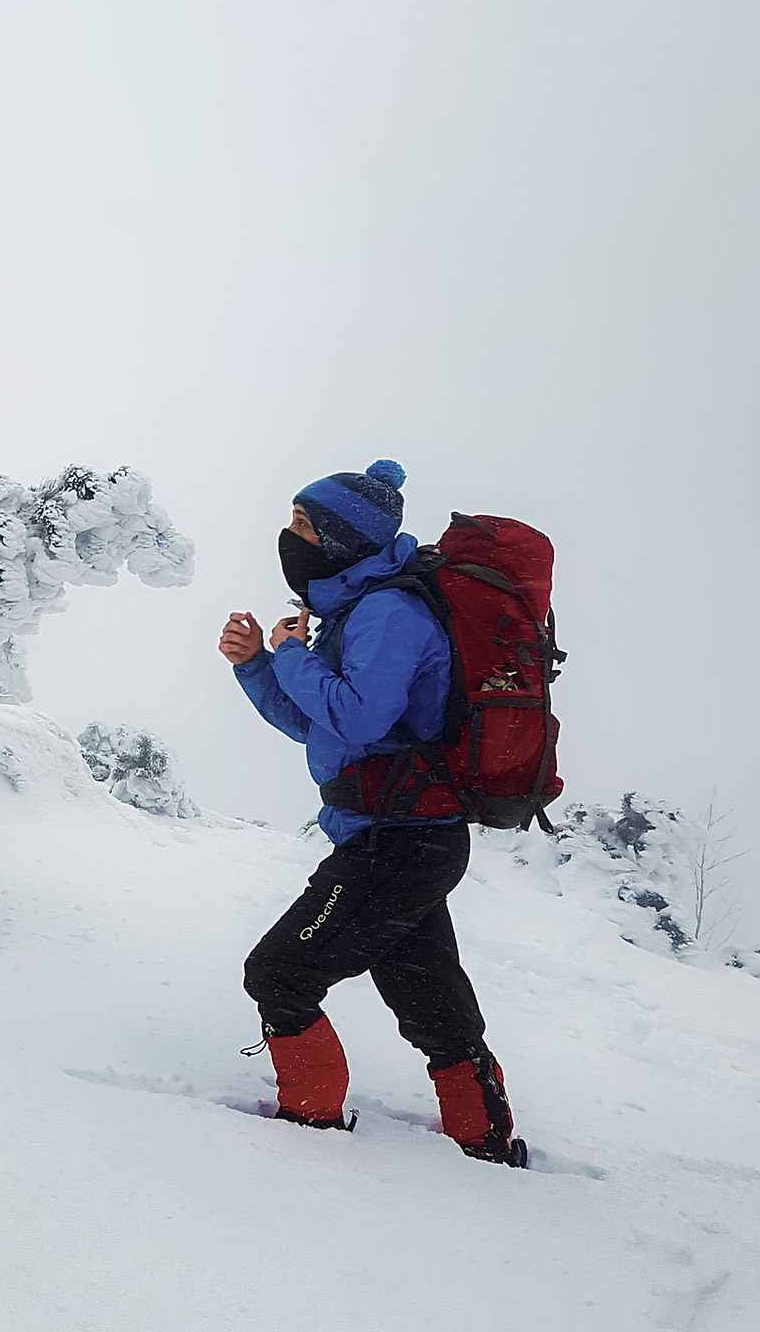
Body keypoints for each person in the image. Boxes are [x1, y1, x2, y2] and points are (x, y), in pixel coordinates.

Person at [216, 459, 524, 1166]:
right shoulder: (358, 609)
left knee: (281, 974)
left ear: (341, 537)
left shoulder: (389, 611)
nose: (288, 538)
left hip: (400, 841)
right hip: (403, 835)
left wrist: (291, 655)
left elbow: (358, 716)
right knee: (429, 999)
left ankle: (309, 1132)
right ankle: (485, 1144)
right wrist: (258, 667)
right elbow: (321, 725)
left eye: (302, 525)